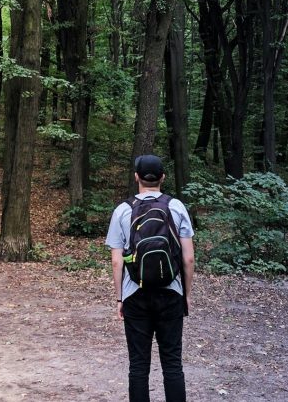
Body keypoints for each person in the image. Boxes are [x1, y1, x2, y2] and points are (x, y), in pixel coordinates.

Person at [106, 154, 195, 402]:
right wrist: (185, 295)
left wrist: (119, 298)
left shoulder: (123, 210)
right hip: (171, 292)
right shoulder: (176, 207)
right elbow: (188, 259)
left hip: (135, 293)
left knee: (138, 366)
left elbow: (116, 260)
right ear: (162, 177)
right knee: (172, 364)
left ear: (136, 177)